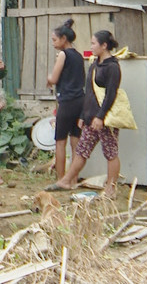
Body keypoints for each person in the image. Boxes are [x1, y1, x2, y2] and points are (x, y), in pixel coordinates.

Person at [47, 30, 124, 199]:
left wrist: (100, 117)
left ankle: (111, 189)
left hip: (105, 119)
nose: (91, 47)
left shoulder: (112, 67)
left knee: (110, 152)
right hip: (90, 117)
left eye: (94, 43)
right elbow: (88, 92)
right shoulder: (95, 64)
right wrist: (83, 115)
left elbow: (111, 95)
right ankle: (66, 181)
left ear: (104, 46)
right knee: (82, 150)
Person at [46, 19, 85, 180]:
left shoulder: (63, 54)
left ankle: (61, 178)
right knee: (75, 141)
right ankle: (73, 178)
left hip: (67, 101)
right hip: (80, 101)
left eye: (55, 40)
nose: (54, 43)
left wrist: (48, 78)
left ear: (64, 39)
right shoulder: (78, 55)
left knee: (60, 141)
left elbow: (54, 79)